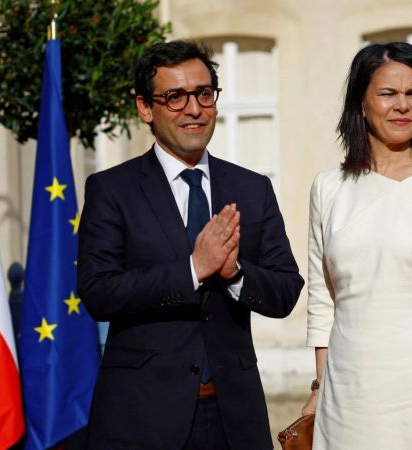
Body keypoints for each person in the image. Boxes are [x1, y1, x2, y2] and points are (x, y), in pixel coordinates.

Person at [77, 40, 304, 450]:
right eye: (175, 97)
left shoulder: (252, 189)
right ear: (145, 108)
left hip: (233, 418)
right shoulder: (112, 189)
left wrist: (235, 273)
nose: (194, 108)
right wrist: (193, 269)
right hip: (142, 416)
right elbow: (99, 292)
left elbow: (286, 291)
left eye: (203, 93)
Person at [303, 42, 412, 450]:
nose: (402, 106)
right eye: (388, 93)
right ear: (361, 104)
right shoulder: (328, 188)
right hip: (344, 395)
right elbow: (321, 301)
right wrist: (319, 389)